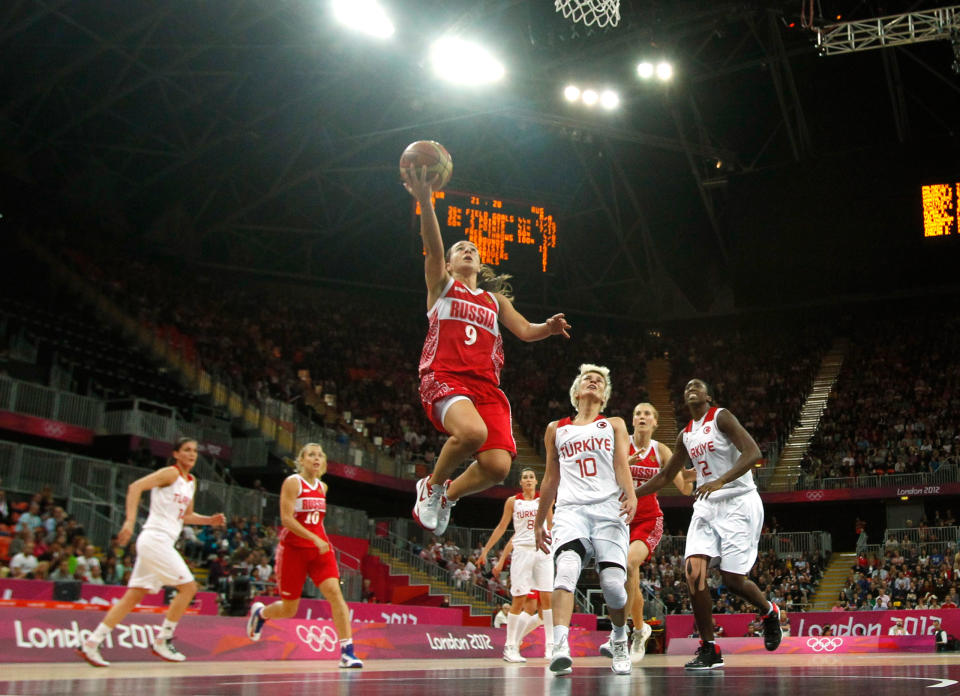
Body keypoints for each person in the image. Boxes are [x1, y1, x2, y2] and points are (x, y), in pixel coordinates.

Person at [402, 166, 571, 536]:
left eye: (473, 249)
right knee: (473, 435)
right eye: (459, 248)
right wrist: (426, 201)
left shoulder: (494, 301)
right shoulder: (442, 287)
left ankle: (448, 495)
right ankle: (430, 486)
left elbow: (525, 331)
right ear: (447, 263)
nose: (467, 250)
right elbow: (431, 244)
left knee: (496, 467)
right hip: (444, 378)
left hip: (485, 388)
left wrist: (549, 327)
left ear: (480, 265)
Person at [634, 378, 782, 671]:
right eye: (687, 385)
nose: (691, 387)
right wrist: (629, 495)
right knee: (693, 572)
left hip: (738, 501)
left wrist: (721, 480)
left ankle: (769, 611)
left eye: (698, 385)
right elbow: (665, 477)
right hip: (706, 504)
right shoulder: (685, 435)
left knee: (732, 580)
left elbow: (753, 453)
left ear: (708, 395)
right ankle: (709, 647)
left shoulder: (721, 417)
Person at [77, 438, 226, 667]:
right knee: (189, 588)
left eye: (195, 451)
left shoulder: (191, 481)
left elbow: (185, 515)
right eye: (186, 450)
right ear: (176, 454)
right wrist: (129, 522)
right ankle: (163, 639)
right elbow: (134, 487)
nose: (192, 454)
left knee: (134, 596)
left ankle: (91, 643)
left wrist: (209, 520)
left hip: (162, 542)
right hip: (155, 539)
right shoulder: (170, 473)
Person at [534, 364, 637, 676]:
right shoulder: (556, 429)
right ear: (576, 391)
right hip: (571, 510)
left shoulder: (614, 424)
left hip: (608, 509)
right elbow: (550, 478)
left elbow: (621, 464)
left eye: (600, 381)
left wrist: (631, 494)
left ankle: (620, 637)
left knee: (613, 585)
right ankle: (560, 645)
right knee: (565, 570)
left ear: (603, 395)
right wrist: (540, 521)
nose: (594, 382)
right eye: (588, 379)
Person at [245, 443, 363, 668]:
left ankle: (348, 651)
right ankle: (261, 614)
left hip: (319, 551)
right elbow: (287, 519)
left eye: (320, 454)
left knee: (336, 595)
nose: (316, 458)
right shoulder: (292, 483)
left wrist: (321, 540)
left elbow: (317, 521)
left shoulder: (322, 487)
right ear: (302, 460)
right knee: (289, 608)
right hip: (294, 551)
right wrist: (314, 538)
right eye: (311, 455)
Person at [601, 401, 694, 663]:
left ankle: (620, 633)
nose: (642, 417)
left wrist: (704, 471)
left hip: (648, 519)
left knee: (630, 564)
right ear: (632, 420)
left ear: (655, 422)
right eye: (637, 413)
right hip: (619, 519)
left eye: (647, 414)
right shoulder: (620, 445)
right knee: (628, 576)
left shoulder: (661, 450)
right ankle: (641, 629)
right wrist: (621, 465)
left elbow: (684, 487)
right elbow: (603, 478)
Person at [478, 467, 555, 662]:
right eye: (525, 477)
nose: (528, 480)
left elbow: (552, 524)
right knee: (519, 600)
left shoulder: (544, 499)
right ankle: (510, 646)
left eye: (531, 477)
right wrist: (486, 550)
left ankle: (551, 647)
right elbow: (502, 527)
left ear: (536, 481)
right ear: (520, 482)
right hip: (522, 552)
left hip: (543, 551)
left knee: (546, 599)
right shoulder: (513, 502)